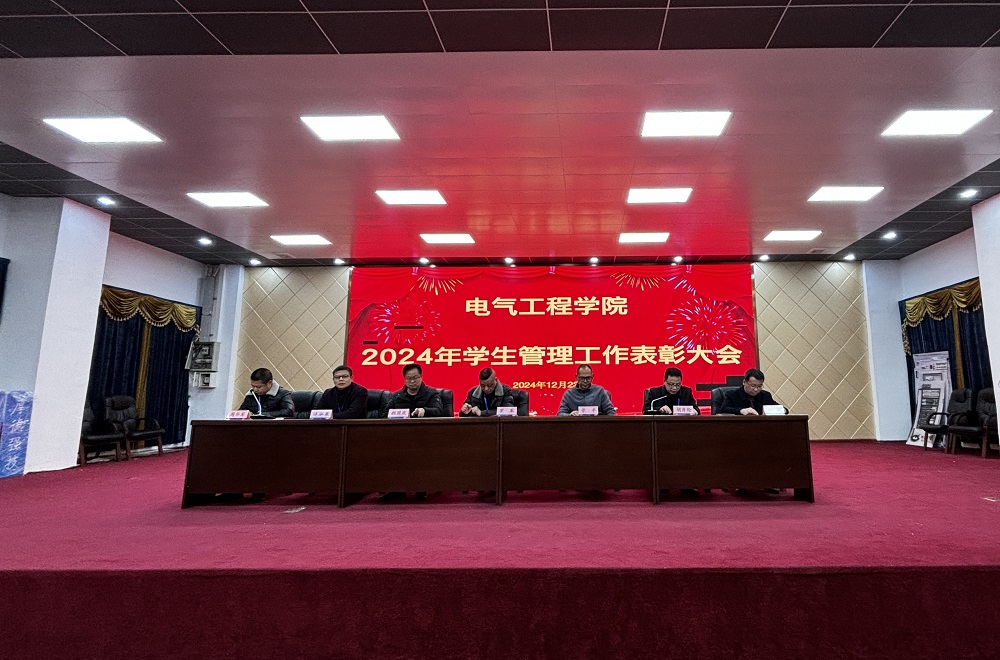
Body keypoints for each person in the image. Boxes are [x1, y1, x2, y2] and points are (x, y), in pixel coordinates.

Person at [719, 368, 785, 416]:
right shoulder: (732, 394)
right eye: (753, 386)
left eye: (759, 386)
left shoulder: (765, 395)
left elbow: (783, 409)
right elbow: (723, 409)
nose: (756, 389)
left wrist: (781, 410)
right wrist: (741, 410)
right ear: (744, 382)